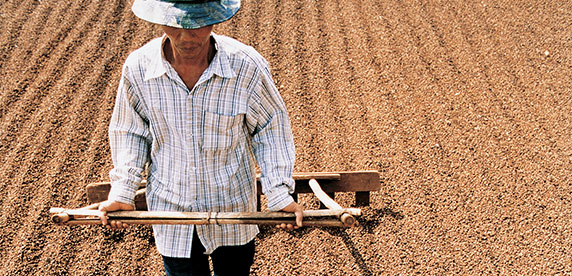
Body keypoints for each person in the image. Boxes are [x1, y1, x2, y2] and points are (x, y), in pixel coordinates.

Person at [96, 0, 302, 275]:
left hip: (232, 207)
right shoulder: (139, 68)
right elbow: (131, 131)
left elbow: (270, 128)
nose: (186, 36)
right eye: (176, 24)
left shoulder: (246, 67)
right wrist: (123, 191)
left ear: (215, 18)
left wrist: (278, 193)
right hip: (172, 209)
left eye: (197, 24)